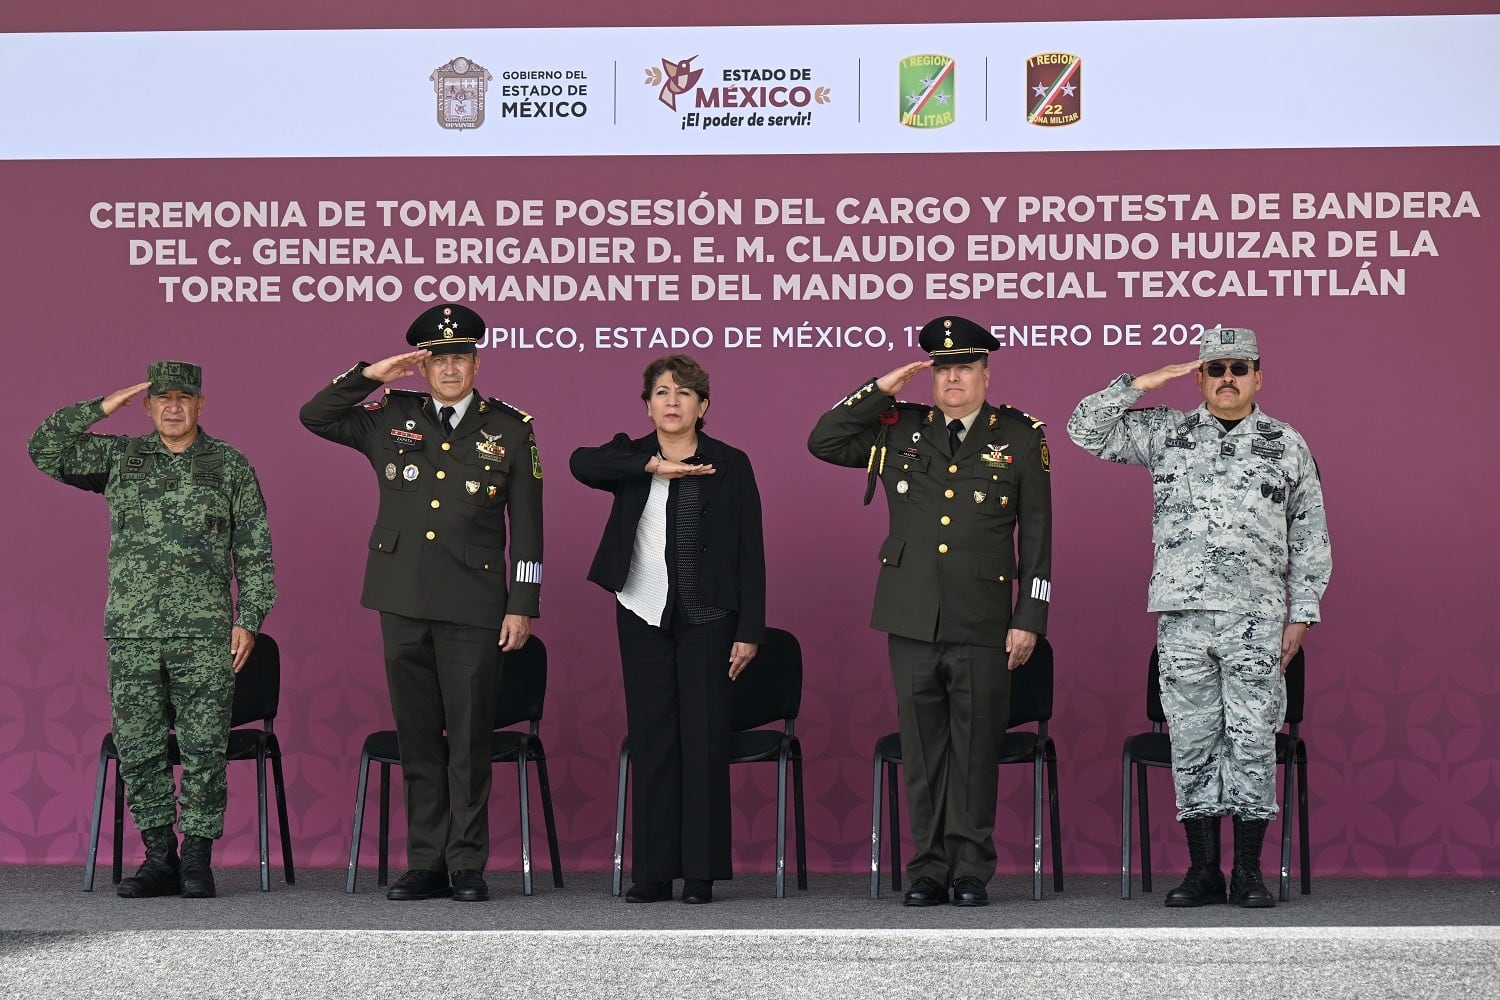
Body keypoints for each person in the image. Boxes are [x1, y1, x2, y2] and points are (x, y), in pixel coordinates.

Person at [1066, 326, 1331, 908]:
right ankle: (1204, 871)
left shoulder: (1286, 443)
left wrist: (1303, 614)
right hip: (1182, 618)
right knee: (1191, 741)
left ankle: (1248, 873)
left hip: (1257, 618)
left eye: (1239, 368)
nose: (1227, 378)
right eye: (1216, 369)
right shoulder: (1168, 432)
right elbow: (1084, 429)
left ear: (1258, 377)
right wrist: (1142, 383)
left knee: (1253, 740)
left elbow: (1310, 533)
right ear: (1201, 378)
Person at [299, 303, 543, 903]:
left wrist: (522, 603)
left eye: (460, 358)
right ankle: (426, 862)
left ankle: (467, 864)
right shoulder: (391, 414)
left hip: (475, 601)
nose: (449, 369)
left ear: (477, 364)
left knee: (469, 738)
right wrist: (372, 375)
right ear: (423, 366)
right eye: (438, 359)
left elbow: (528, 527)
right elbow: (315, 415)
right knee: (417, 735)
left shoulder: (510, 428)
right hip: (401, 595)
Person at [807, 316, 1052, 907]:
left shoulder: (1019, 436)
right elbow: (824, 441)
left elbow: (1038, 533)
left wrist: (1029, 617)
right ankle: (928, 868)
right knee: (922, 749)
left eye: (964, 368)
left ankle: (970, 870)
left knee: (975, 749)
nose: (952, 380)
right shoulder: (900, 428)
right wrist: (880, 389)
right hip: (911, 612)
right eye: (942, 370)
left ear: (986, 374)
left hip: (983, 615)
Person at [27, 361, 276, 899]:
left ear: (200, 404)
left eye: (184, 398)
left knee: (204, 748)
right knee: (139, 747)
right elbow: (44, 449)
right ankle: (159, 856)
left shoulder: (229, 464)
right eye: (163, 398)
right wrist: (102, 406)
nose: (173, 407)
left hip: (205, 635)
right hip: (132, 633)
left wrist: (249, 619)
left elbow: (256, 552)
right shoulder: (121, 457)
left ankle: (197, 860)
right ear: (146, 405)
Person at [570, 354, 765, 905]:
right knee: (652, 740)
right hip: (642, 612)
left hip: (709, 617)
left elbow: (750, 548)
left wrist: (750, 629)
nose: (672, 401)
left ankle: (700, 873)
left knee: (703, 741)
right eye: (661, 392)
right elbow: (580, 463)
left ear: (703, 407)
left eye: (684, 393)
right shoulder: (629, 457)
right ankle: (653, 872)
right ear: (647, 406)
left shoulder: (730, 463)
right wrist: (651, 467)